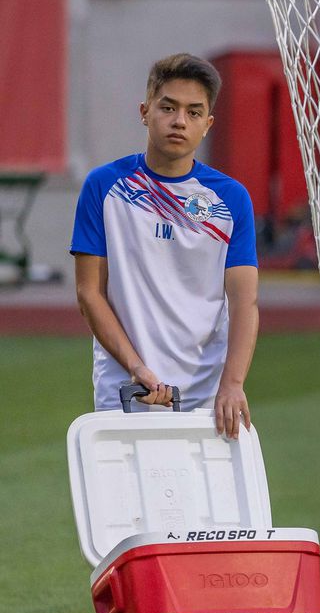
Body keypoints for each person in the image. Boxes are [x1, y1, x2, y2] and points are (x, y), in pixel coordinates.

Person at [71, 53, 259, 439]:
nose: (179, 121)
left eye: (194, 112)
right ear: (145, 112)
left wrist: (233, 383)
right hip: (124, 387)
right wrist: (136, 367)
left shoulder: (231, 199)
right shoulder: (103, 187)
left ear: (207, 125)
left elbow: (245, 301)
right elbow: (90, 293)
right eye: (168, 107)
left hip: (207, 395)